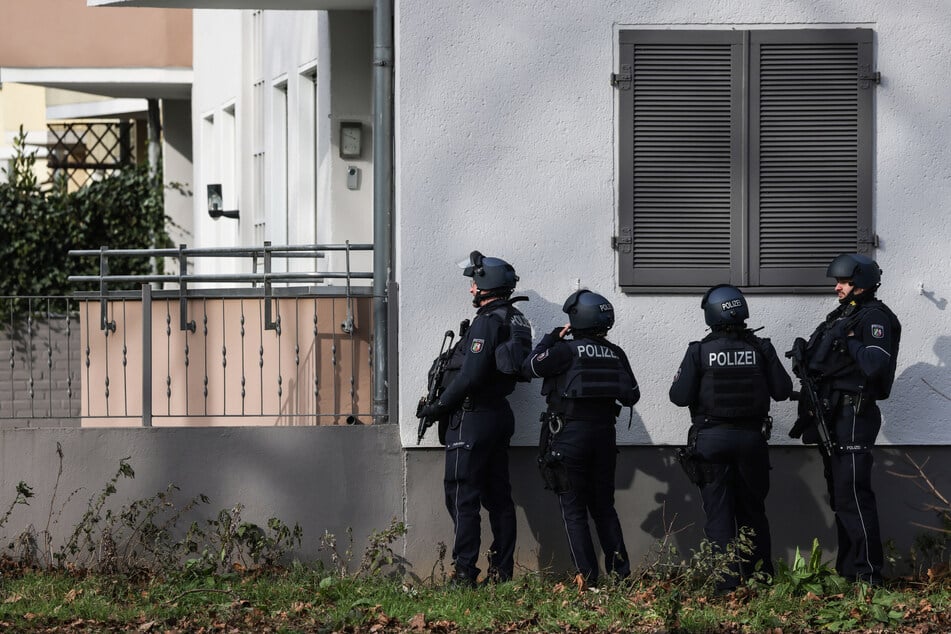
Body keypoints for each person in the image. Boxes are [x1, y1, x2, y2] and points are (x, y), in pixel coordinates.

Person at [416, 251, 532, 586]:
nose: (470, 290)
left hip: (472, 417)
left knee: (461, 495)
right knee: (498, 498)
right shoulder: (516, 318)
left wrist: (438, 407)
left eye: (473, 282)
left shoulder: (487, 321)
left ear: (485, 283)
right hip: (498, 416)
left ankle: (464, 572)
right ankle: (502, 572)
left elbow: (470, 376)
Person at [669, 284, 792, 592]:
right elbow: (783, 391)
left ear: (711, 315)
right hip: (751, 441)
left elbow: (679, 397)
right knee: (753, 513)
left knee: (719, 516)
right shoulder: (761, 347)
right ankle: (759, 580)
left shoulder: (699, 350)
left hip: (711, 442)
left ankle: (725, 587)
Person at [788, 254, 901, 585]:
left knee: (854, 495)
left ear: (862, 284)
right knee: (841, 497)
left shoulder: (874, 318)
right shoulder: (842, 317)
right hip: (834, 414)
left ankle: (869, 575)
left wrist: (849, 343)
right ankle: (849, 569)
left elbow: (875, 364)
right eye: (838, 282)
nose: (837, 287)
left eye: (845, 282)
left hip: (856, 413)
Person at [522, 289, 639, 585]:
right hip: (604, 437)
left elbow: (530, 366)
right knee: (603, 508)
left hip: (570, 436)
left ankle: (588, 579)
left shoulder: (565, 351)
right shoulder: (616, 352)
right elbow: (632, 395)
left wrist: (551, 339)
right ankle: (621, 576)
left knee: (574, 510)